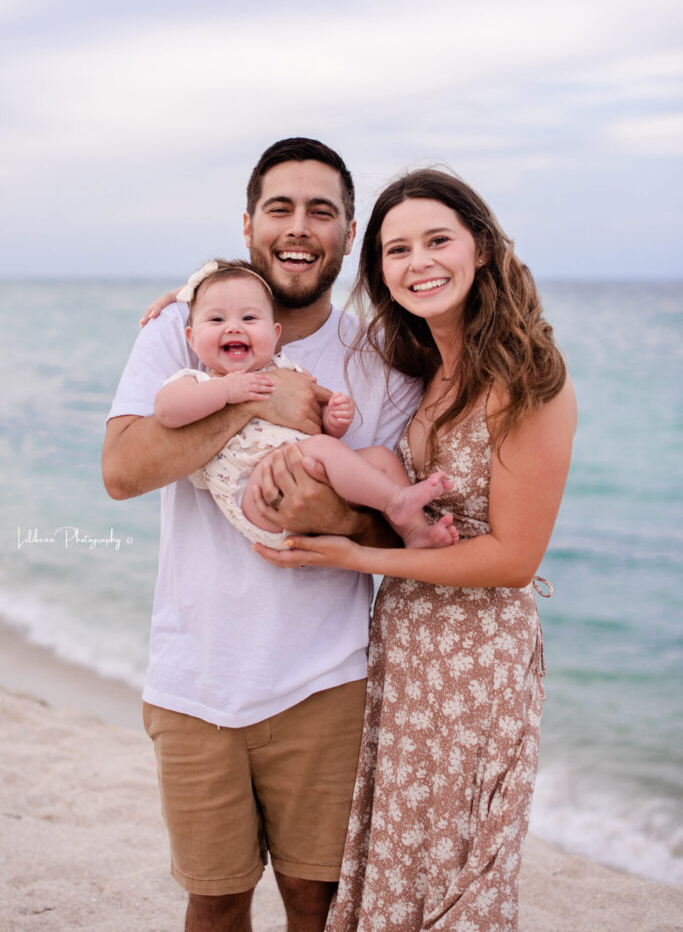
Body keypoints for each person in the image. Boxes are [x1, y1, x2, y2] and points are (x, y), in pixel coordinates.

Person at [102, 137, 421, 932]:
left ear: (349, 235)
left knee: (320, 902)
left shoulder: (377, 360)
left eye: (323, 211)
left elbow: (387, 515)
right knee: (213, 899)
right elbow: (121, 471)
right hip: (196, 676)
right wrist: (253, 401)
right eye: (280, 207)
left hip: (328, 677)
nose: (299, 226)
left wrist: (323, 509)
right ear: (248, 225)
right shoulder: (183, 330)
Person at [255, 169, 578, 932]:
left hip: (475, 662)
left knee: (458, 871)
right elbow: (273, 327)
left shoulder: (527, 379)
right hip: (404, 651)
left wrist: (352, 559)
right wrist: (187, 306)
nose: (417, 262)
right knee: (397, 857)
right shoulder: (422, 371)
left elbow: (512, 561)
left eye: (437, 240)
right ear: (380, 273)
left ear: (482, 249)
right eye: (396, 249)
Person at [156, 257, 457, 550]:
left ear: (274, 335)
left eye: (249, 318)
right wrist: (226, 391)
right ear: (191, 338)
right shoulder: (197, 382)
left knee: (379, 458)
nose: (233, 328)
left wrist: (333, 420)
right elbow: (168, 411)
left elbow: (315, 430)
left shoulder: (285, 371)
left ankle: (416, 533)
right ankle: (395, 502)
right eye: (216, 319)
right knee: (321, 451)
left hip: (312, 484)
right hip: (254, 494)